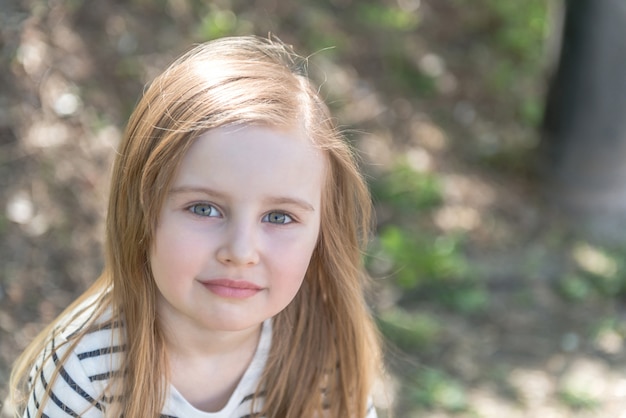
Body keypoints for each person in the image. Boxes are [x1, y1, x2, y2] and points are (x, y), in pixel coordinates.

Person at [9, 35, 383, 418]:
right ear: (142, 208)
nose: (240, 252)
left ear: (322, 232)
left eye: (278, 217)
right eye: (204, 208)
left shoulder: (324, 353)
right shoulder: (85, 373)